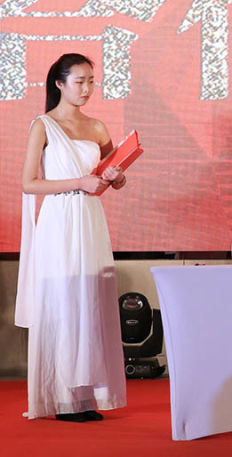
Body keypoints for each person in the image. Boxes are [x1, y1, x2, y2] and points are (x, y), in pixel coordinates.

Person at [15, 53, 128, 422]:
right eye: (79, 81)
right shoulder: (43, 125)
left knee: (89, 301)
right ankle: (62, 397)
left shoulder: (97, 126)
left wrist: (116, 177)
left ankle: (85, 394)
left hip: (89, 219)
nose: (87, 89)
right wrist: (79, 182)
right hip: (59, 220)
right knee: (64, 301)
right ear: (59, 83)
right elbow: (29, 183)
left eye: (91, 81)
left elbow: (111, 174)